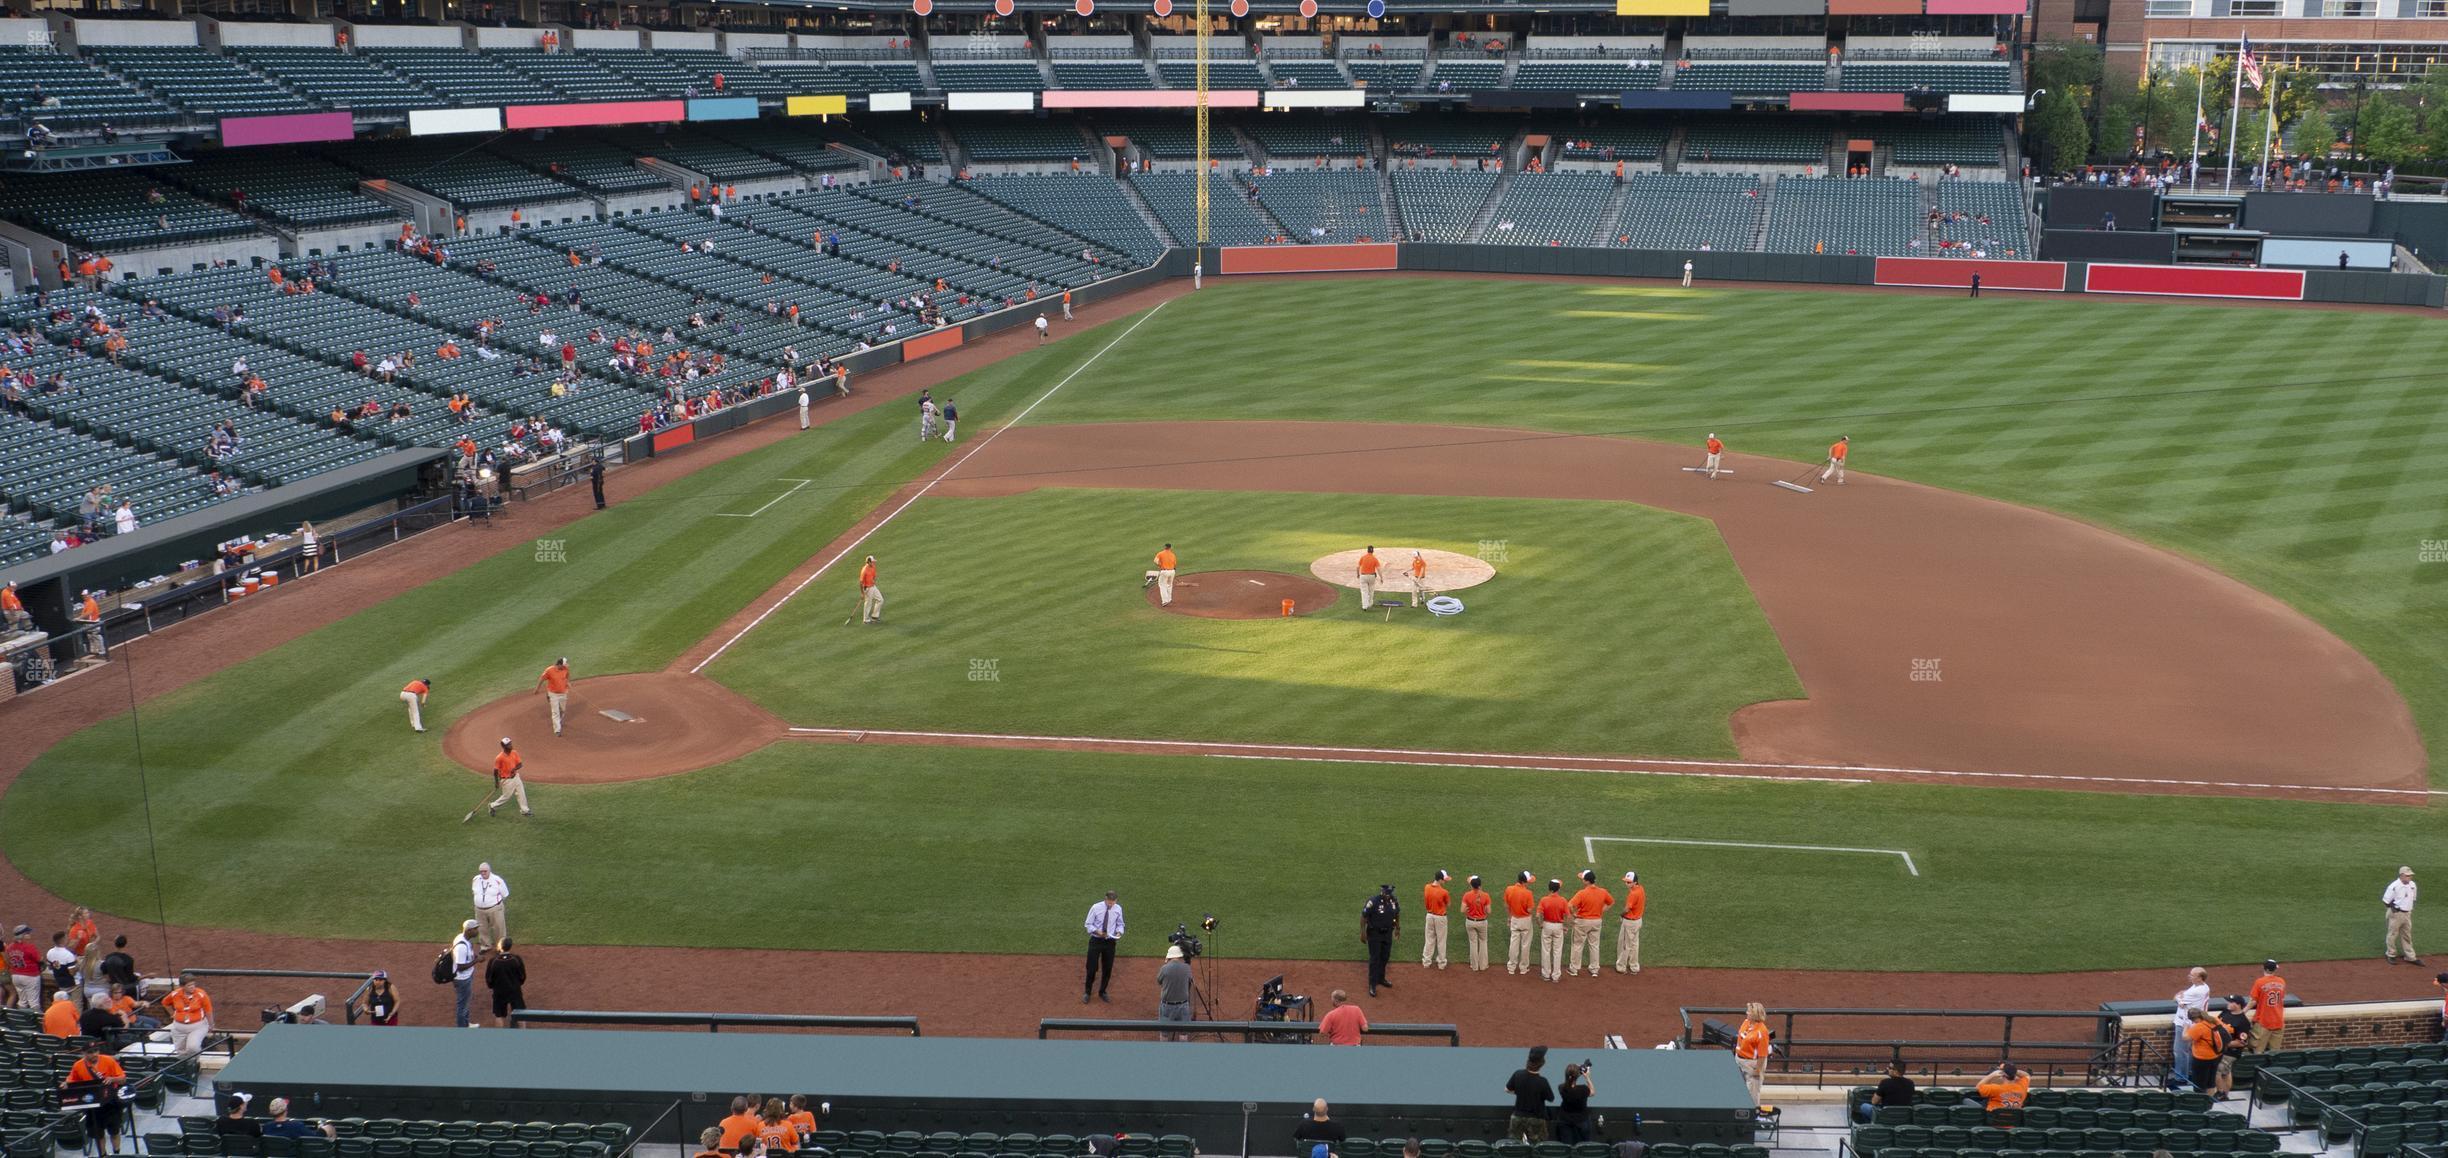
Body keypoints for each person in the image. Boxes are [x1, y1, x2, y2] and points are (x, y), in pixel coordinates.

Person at [63, 1041, 127, 1154]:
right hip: (92, 1104)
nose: (94, 1054)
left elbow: (122, 1078)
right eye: (90, 1052)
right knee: (98, 1134)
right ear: (83, 1053)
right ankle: (103, 1155)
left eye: (96, 1051)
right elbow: (71, 1080)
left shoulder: (108, 1060)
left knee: (114, 1131)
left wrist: (112, 1079)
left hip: (110, 1102)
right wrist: (66, 1084)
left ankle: (117, 1153)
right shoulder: (78, 1065)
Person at [1568, 870, 1612, 978]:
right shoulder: (1603, 892)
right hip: (1597, 921)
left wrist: (1574, 914)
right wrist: (1600, 911)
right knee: (1594, 945)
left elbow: (1570, 905)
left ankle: (1574, 969)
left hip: (1582, 921)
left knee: (1577, 945)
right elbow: (1611, 902)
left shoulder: (1582, 893)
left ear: (1586, 881)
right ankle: (1594, 970)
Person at [1506, 1046, 1556, 1142]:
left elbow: (1507, 1089)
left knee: (1514, 1145)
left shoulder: (1518, 1074)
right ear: (1542, 1064)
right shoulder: (1543, 1082)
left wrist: (1520, 1092)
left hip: (1518, 1117)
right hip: (1536, 1118)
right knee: (1538, 1146)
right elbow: (1551, 1098)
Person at [2171, 966, 2210, 1087]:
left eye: (2192, 975)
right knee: (2188, 1051)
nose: (2189, 976)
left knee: (2180, 1051)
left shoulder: (2197, 991)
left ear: (2200, 978)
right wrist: (2180, 997)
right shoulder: (2201, 987)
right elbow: (2179, 997)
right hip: (2192, 1023)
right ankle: (2187, 1074)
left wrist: (2179, 997)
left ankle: (2181, 1078)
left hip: (2186, 1024)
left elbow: (2176, 998)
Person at [1083, 889, 1123, 1003]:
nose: (1111, 904)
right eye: (1109, 902)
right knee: (1091, 968)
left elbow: (1120, 924)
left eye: (1113, 902)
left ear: (1116, 900)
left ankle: (1102, 991)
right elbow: (1088, 924)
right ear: (1105, 899)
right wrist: (1098, 932)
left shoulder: (1118, 909)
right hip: (1096, 941)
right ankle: (1087, 992)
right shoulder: (1096, 907)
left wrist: (1119, 932)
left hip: (1110, 942)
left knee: (1107, 968)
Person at [1361, 884, 1399, 997]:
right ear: (1382, 892)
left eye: (1390, 894)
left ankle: (1381, 978)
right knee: (1375, 959)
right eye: (1387, 894)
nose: (1389, 896)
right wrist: (1362, 932)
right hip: (1374, 934)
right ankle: (1372, 984)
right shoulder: (1373, 901)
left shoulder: (1393, 901)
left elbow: (1397, 914)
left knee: (1385, 957)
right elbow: (1363, 916)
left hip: (1387, 933)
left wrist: (1398, 928)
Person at [164, 973, 213, 1056]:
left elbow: (208, 1010)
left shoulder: (201, 994)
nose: (192, 987)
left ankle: (196, 1063)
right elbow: (165, 1003)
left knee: (192, 1047)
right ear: (182, 986)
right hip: (179, 1028)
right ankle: (186, 1067)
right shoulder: (175, 994)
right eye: (189, 985)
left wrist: (211, 1024)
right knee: (181, 1051)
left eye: (193, 984)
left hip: (197, 1026)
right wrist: (172, 1014)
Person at [2214, 994, 2252, 1097]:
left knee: (2217, 1070)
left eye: (2231, 1002)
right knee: (2226, 1072)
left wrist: (2221, 1044)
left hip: (2230, 1052)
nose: (2228, 1004)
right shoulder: (2225, 1012)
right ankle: (2225, 1093)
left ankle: (2221, 1093)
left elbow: (2241, 1042)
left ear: (2238, 1005)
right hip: (2219, 1049)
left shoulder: (2243, 1022)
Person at [1734, 1003, 1771, 1106]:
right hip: (1740, 1060)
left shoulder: (1762, 1032)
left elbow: (1762, 1055)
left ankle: (1752, 1114)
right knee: (1739, 1089)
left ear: (1754, 1015)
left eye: (1749, 1011)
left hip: (1752, 1064)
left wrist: (1758, 1070)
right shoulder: (1746, 1022)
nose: (1747, 1013)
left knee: (1752, 1093)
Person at [486, 937, 526, 1028]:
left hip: (499, 992)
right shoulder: (516, 959)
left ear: (500, 946)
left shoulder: (493, 961)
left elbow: (489, 979)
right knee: (520, 1013)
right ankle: (524, 1035)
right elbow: (522, 976)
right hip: (515, 990)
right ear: (510, 946)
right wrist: (517, 984)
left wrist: (493, 987)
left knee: (499, 1015)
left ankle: (500, 1038)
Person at [1156, 944, 1193, 1040]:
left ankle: (1164, 1053)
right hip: (1183, 1005)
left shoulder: (1164, 968)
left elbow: (1159, 981)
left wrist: (1166, 964)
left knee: (1164, 1034)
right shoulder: (1187, 968)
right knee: (1183, 1034)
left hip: (1167, 1006)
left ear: (1169, 957)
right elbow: (1190, 980)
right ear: (1180, 956)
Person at [2248, 959, 2287, 1052]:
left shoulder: (2259, 982)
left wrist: (2243, 1011)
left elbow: (2253, 1001)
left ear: (2264, 968)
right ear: (2274, 969)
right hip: (2278, 1021)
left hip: (2263, 1022)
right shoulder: (2281, 981)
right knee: (2274, 1053)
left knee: (2258, 1051)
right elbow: (2282, 999)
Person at [2384, 866, 2419, 964]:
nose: (2410, 877)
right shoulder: (2394, 886)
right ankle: (2390, 954)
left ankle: (2410, 957)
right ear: (2402, 875)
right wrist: (2394, 908)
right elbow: (2386, 901)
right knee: (2393, 934)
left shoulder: (2412, 885)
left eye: (2410, 875)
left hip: (2407, 914)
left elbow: (2413, 899)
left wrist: (2408, 908)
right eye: (2407, 876)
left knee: (2407, 935)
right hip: (2396, 914)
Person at [1536, 879, 1570, 982]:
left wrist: (1540, 924)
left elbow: (1537, 916)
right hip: (1558, 927)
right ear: (1558, 888)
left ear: (1549, 888)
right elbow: (1568, 916)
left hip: (1547, 925)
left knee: (1546, 950)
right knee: (1557, 951)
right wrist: (1566, 927)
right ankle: (1556, 976)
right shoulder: (1563, 900)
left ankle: (1546, 974)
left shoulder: (1544, 899)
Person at [472, 862, 510, 951]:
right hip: (479, 909)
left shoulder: (497, 880)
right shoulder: (476, 879)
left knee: (499, 929)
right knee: (482, 928)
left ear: (489, 871)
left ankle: (501, 948)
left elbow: (505, 894)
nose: (483, 873)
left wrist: (495, 904)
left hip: (495, 909)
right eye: (481, 871)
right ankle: (485, 946)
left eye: (485, 871)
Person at [1504, 871, 1537, 976]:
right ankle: (1523, 968)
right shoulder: (1528, 893)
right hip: (1525, 920)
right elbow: (1530, 910)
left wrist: (1509, 917)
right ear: (1524, 881)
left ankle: (1511, 967)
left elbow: (1506, 905)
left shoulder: (1509, 889)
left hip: (1514, 918)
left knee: (1513, 943)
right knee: (1525, 945)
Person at [1554, 1063, 1595, 1144]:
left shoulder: (1561, 1088)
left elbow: (1569, 1082)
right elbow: (1592, 1092)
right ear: (1577, 1076)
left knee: (1567, 1144)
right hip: (1582, 1120)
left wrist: (1575, 1071)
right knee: (1585, 1144)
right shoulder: (1583, 1089)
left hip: (1565, 1120)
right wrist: (1587, 1077)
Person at [490, 737, 532, 817]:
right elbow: (495, 771)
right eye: (508, 744)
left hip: (516, 777)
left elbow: (520, 764)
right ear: (504, 746)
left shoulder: (514, 753)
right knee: (506, 796)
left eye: (510, 743)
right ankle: (492, 806)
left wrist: (514, 769)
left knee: (521, 793)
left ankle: (525, 810)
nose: (510, 745)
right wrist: (496, 783)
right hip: (506, 780)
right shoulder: (499, 758)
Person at [1615, 871, 1646, 975]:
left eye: (1629, 882)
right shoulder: (1641, 889)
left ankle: (1621, 967)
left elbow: (1627, 909)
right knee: (1634, 944)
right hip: (1638, 921)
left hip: (1630, 923)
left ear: (1635, 882)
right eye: (1626, 882)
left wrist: (1621, 915)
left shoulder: (1633, 894)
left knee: (1624, 945)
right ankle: (1634, 966)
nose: (1626, 884)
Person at [449, 920, 479, 1027]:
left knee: (465, 1003)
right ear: (469, 930)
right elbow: (460, 967)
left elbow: (468, 953)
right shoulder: (461, 947)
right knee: (462, 1005)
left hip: (465, 977)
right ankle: (462, 1029)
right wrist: (476, 960)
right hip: (462, 979)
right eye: (476, 929)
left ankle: (466, 1024)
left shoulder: (462, 938)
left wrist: (474, 956)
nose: (477, 931)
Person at [1461, 875, 1492, 972]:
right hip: (1482, 922)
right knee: (1483, 942)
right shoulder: (1486, 895)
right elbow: (1489, 911)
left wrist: (1469, 910)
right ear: (1480, 885)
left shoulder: (1467, 895)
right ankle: (1483, 966)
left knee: (1473, 943)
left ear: (1471, 885)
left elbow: (1462, 910)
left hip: (1470, 921)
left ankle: (1474, 966)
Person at [1421, 870, 1451, 970]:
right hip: (1440, 918)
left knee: (1429, 939)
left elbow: (1426, 901)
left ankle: (1426, 962)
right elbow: (1448, 904)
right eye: (1444, 879)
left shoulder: (1426, 887)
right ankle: (1441, 963)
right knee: (1441, 941)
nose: (1445, 881)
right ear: (1440, 879)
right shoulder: (1444, 892)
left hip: (1429, 916)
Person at [262, 1100, 334, 1141]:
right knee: (330, 1128)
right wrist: (325, 1128)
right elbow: (314, 1137)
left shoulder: (266, 1127)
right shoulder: (295, 1125)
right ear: (286, 1110)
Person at [536, 658, 572, 737]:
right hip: (553, 694)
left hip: (563, 693)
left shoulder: (565, 669)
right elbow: (542, 679)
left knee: (562, 710)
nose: (565, 667)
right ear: (559, 664)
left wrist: (567, 682)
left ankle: (558, 722)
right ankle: (557, 730)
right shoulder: (549, 670)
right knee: (555, 712)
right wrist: (537, 689)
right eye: (564, 665)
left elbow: (567, 676)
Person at [859, 555, 884, 625]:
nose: (874, 563)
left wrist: (874, 580)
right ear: (868, 562)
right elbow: (861, 582)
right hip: (867, 588)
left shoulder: (873, 567)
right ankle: (865, 619)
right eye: (872, 562)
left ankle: (874, 616)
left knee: (880, 600)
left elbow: (874, 576)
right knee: (868, 603)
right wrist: (862, 593)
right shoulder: (864, 570)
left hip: (873, 586)